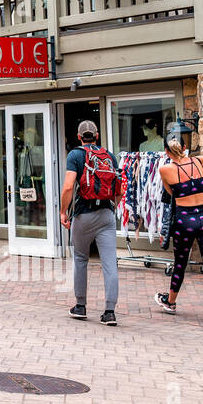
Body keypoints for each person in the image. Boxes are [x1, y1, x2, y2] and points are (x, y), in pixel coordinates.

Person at [154, 127, 203, 325]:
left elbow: (171, 194)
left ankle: (171, 301)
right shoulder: (198, 162)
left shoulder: (165, 170)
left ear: (167, 152)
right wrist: (194, 158)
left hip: (185, 220)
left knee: (180, 262)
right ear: (184, 148)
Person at [58, 119, 120, 326]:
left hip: (84, 213)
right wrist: (113, 207)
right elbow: (118, 189)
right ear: (96, 135)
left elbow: (68, 187)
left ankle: (81, 306)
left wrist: (63, 211)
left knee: (81, 257)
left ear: (78, 136)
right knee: (110, 263)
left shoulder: (75, 154)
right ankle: (110, 312)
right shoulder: (109, 156)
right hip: (106, 214)